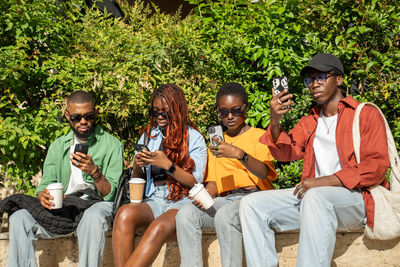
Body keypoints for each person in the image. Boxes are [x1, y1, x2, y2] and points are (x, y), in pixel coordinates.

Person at [239, 53, 390, 267]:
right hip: (315, 201)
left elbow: (375, 168)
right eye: (309, 80)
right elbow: (285, 153)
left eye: (321, 77)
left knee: (316, 196)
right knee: (251, 204)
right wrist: (275, 121)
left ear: (339, 79)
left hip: (356, 199)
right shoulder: (310, 121)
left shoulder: (365, 114)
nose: (314, 84)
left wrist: (323, 182)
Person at [8, 90, 124, 267]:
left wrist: (95, 172)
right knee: (19, 218)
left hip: (95, 205)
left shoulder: (113, 145)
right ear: (67, 116)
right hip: (65, 207)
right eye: (77, 117)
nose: (83, 122)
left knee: (92, 216)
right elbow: (45, 184)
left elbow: (111, 196)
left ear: (96, 114)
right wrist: (43, 196)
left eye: (89, 116)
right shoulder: (58, 146)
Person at [176, 82, 277, 267]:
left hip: (253, 199)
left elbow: (263, 174)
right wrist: (205, 195)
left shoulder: (260, 136)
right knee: (185, 214)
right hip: (226, 200)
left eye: (235, 110)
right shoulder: (216, 143)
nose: (229, 117)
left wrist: (239, 154)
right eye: (223, 112)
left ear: (245, 109)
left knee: (225, 216)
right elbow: (214, 183)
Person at [112, 84, 207, 267]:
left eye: (165, 112)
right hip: (155, 198)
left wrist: (169, 166)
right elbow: (138, 179)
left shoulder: (194, 138)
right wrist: (138, 166)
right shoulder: (149, 136)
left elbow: (195, 182)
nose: (160, 117)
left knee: (158, 227)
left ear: (178, 111)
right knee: (124, 214)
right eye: (155, 112)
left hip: (183, 201)